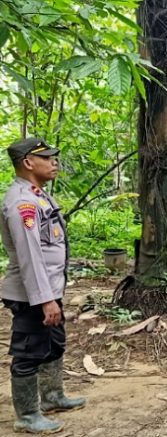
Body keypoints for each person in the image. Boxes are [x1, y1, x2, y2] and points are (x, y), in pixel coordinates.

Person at [0, 138, 86, 434]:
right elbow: (29, 256)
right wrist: (44, 300)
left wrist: (54, 295)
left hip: (49, 290)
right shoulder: (22, 201)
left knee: (53, 343)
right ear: (28, 162)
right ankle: (26, 415)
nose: (54, 162)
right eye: (47, 157)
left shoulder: (39, 196)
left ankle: (51, 397)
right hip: (32, 295)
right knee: (29, 351)